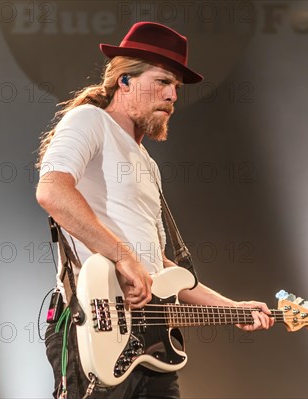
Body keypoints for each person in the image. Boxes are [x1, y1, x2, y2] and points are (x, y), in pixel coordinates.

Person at [36, 22, 274, 399]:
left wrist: (233, 308)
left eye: (176, 87)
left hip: (149, 340)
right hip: (93, 324)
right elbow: (51, 190)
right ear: (124, 80)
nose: (172, 95)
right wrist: (122, 255)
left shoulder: (147, 164)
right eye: (162, 81)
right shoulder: (90, 121)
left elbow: (161, 269)